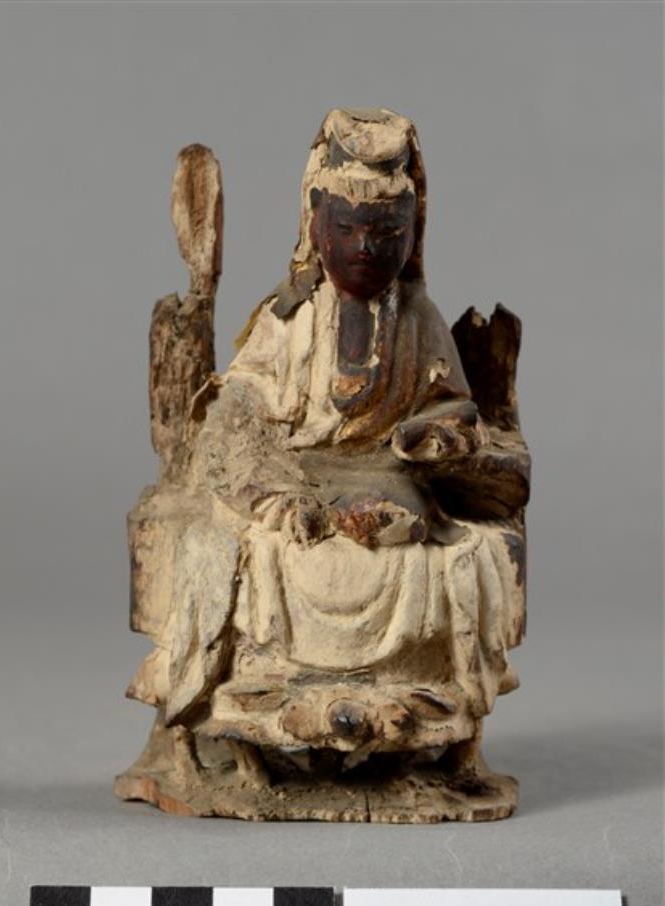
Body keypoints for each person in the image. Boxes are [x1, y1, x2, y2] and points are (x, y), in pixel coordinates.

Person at [120, 108, 530, 820]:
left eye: (389, 233)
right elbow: (234, 416)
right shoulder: (290, 321)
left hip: (393, 491)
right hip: (298, 487)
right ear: (316, 225)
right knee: (250, 551)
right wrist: (280, 495)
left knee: (456, 558)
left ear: (413, 233)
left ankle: (426, 724)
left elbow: (455, 408)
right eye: (350, 229)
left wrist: (442, 436)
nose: (367, 247)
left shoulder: (419, 321)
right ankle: (244, 714)